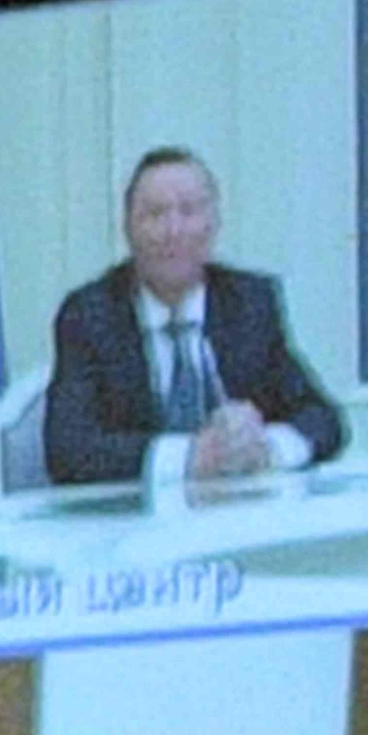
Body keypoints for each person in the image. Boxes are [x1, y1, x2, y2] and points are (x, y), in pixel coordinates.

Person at [33, 146, 347, 491]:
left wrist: (266, 446)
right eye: (154, 214)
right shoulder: (89, 314)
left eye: (189, 211)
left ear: (213, 224)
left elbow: (326, 421)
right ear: (127, 228)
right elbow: (67, 451)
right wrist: (189, 457)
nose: (173, 231)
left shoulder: (250, 303)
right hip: (131, 527)